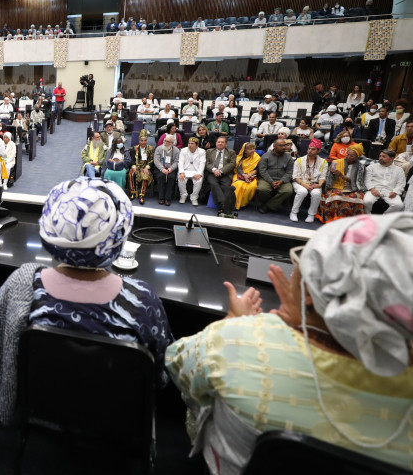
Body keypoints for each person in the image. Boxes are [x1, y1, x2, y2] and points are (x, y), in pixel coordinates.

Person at [165, 214, 413, 473]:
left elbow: (176, 361)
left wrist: (233, 322)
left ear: (310, 292)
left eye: (299, 265)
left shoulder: (239, 338)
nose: (292, 271)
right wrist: (305, 323)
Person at [0, 177, 173, 425]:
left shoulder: (21, 282)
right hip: (115, 423)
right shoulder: (142, 301)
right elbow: (161, 377)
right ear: (117, 238)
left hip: (40, 411)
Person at [316, 143, 366, 223]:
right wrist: (333, 174)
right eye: (347, 154)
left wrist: (342, 176)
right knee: (335, 196)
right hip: (336, 186)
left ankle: (352, 221)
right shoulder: (337, 162)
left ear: (357, 157)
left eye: (351, 156)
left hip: (352, 188)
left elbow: (358, 182)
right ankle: (333, 219)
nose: (348, 157)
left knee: (358, 198)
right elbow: (329, 179)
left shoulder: (360, 167)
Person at [289, 139, 327, 223]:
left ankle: (311, 215)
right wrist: (304, 185)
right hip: (300, 182)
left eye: (313, 149)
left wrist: (319, 185)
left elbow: (323, 176)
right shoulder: (299, 160)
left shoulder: (323, 162)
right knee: (302, 191)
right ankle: (294, 212)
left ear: (318, 150)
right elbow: (295, 177)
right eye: (309, 148)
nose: (310, 150)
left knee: (316, 193)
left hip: (315, 183)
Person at [255, 139, 294, 214]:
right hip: (266, 179)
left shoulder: (288, 157)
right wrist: (271, 181)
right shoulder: (266, 156)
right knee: (262, 189)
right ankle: (272, 204)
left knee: (288, 190)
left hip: (283, 180)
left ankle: (267, 206)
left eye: (284, 145)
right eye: (281, 145)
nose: (283, 147)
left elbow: (290, 172)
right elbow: (262, 171)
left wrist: (282, 181)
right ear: (274, 146)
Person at [364, 149, 406, 214]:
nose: (380, 158)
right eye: (380, 156)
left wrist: (395, 192)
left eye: (383, 156)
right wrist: (372, 189)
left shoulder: (399, 170)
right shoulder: (372, 167)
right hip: (374, 189)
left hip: (390, 191)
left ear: (391, 158)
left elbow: (401, 183)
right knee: (367, 201)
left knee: (398, 205)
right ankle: (369, 217)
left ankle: (384, 218)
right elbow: (367, 180)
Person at [205, 136, 237, 217]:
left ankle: (223, 205)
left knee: (226, 186)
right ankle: (223, 204)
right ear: (216, 143)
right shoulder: (209, 151)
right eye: (218, 142)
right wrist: (214, 170)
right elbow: (207, 163)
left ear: (226, 144)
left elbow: (232, 164)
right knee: (214, 183)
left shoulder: (231, 152)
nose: (220, 143)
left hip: (225, 173)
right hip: (212, 173)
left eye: (222, 142)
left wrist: (221, 171)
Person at [128, 130, 154, 204]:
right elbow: (132, 160)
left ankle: (141, 195)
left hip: (145, 167)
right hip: (136, 166)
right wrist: (134, 167)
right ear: (139, 141)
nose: (143, 142)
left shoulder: (150, 148)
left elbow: (151, 160)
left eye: (145, 140)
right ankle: (133, 193)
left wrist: (147, 167)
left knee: (145, 175)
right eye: (141, 140)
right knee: (131, 174)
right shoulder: (134, 148)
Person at [232, 142, 260, 210]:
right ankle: (234, 203)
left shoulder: (257, 157)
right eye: (250, 149)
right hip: (240, 174)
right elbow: (238, 169)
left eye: (254, 148)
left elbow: (256, 169)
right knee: (237, 184)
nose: (253, 150)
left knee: (251, 186)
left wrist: (249, 175)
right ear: (245, 151)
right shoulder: (239, 158)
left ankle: (243, 204)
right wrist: (244, 175)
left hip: (252, 175)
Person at [178, 137, 205, 206]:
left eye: (192, 143)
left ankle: (194, 197)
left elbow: (202, 163)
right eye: (189, 143)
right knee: (181, 179)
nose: (190, 145)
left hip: (196, 171)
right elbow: (180, 162)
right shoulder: (183, 150)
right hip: (185, 170)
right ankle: (183, 195)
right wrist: (181, 172)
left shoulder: (202, 151)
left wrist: (199, 174)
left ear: (197, 145)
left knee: (198, 181)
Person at [154, 134, 180, 206]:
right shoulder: (159, 148)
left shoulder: (176, 150)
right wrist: (162, 169)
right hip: (160, 168)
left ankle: (168, 198)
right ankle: (161, 197)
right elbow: (156, 160)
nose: (165, 143)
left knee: (171, 178)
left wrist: (171, 169)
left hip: (171, 168)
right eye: (164, 141)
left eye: (168, 141)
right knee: (161, 177)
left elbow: (176, 162)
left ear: (172, 143)